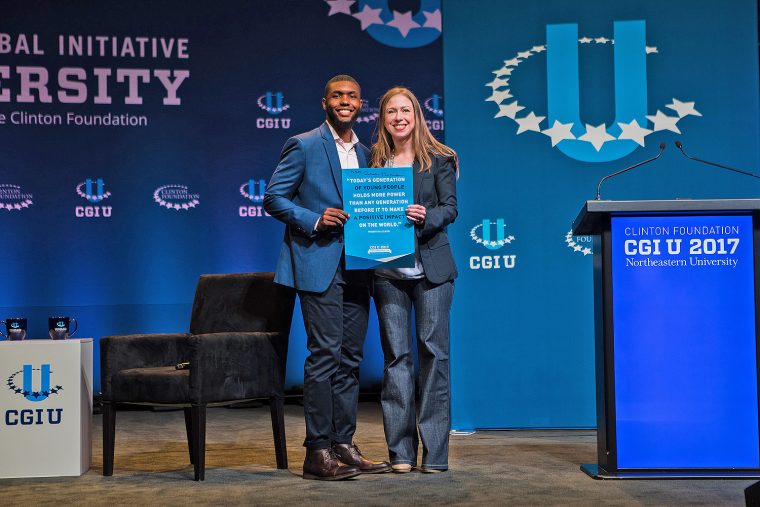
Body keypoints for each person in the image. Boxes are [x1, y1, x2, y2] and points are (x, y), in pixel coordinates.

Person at [264, 75, 391, 480]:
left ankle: (343, 444)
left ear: (361, 103)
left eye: (352, 96)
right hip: (319, 262)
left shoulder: (370, 154)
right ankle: (317, 451)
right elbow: (273, 197)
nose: (345, 101)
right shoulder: (303, 145)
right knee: (325, 355)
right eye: (338, 95)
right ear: (325, 102)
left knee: (350, 358)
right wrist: (314, 219)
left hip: (359, 264)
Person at [370, 86, 458, 473]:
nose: (399, 117)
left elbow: (451, 208)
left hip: (431, 271)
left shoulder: (440, 158)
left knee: (434, 356)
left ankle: (435, 456)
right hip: (386, 272)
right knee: (396, 360)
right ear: (383, 119)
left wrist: (427, 216)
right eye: (392, 112)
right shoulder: (372, 160)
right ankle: (400, 454)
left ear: (417, 115)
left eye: (406, 110)